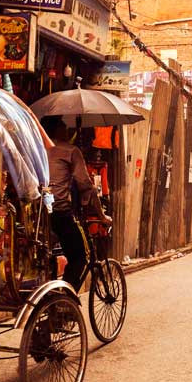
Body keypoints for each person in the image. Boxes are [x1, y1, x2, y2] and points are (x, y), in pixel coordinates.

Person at [42, 116, 112, 292]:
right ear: (57, 129)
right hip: (59, 213)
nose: (67, 129)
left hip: (36, 216)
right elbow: (86, 186)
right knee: (81, 257)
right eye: (63, 125)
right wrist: (102, 216)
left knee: (45, 257)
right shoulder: (70, 151)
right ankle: (66, 298)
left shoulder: (36, 149)